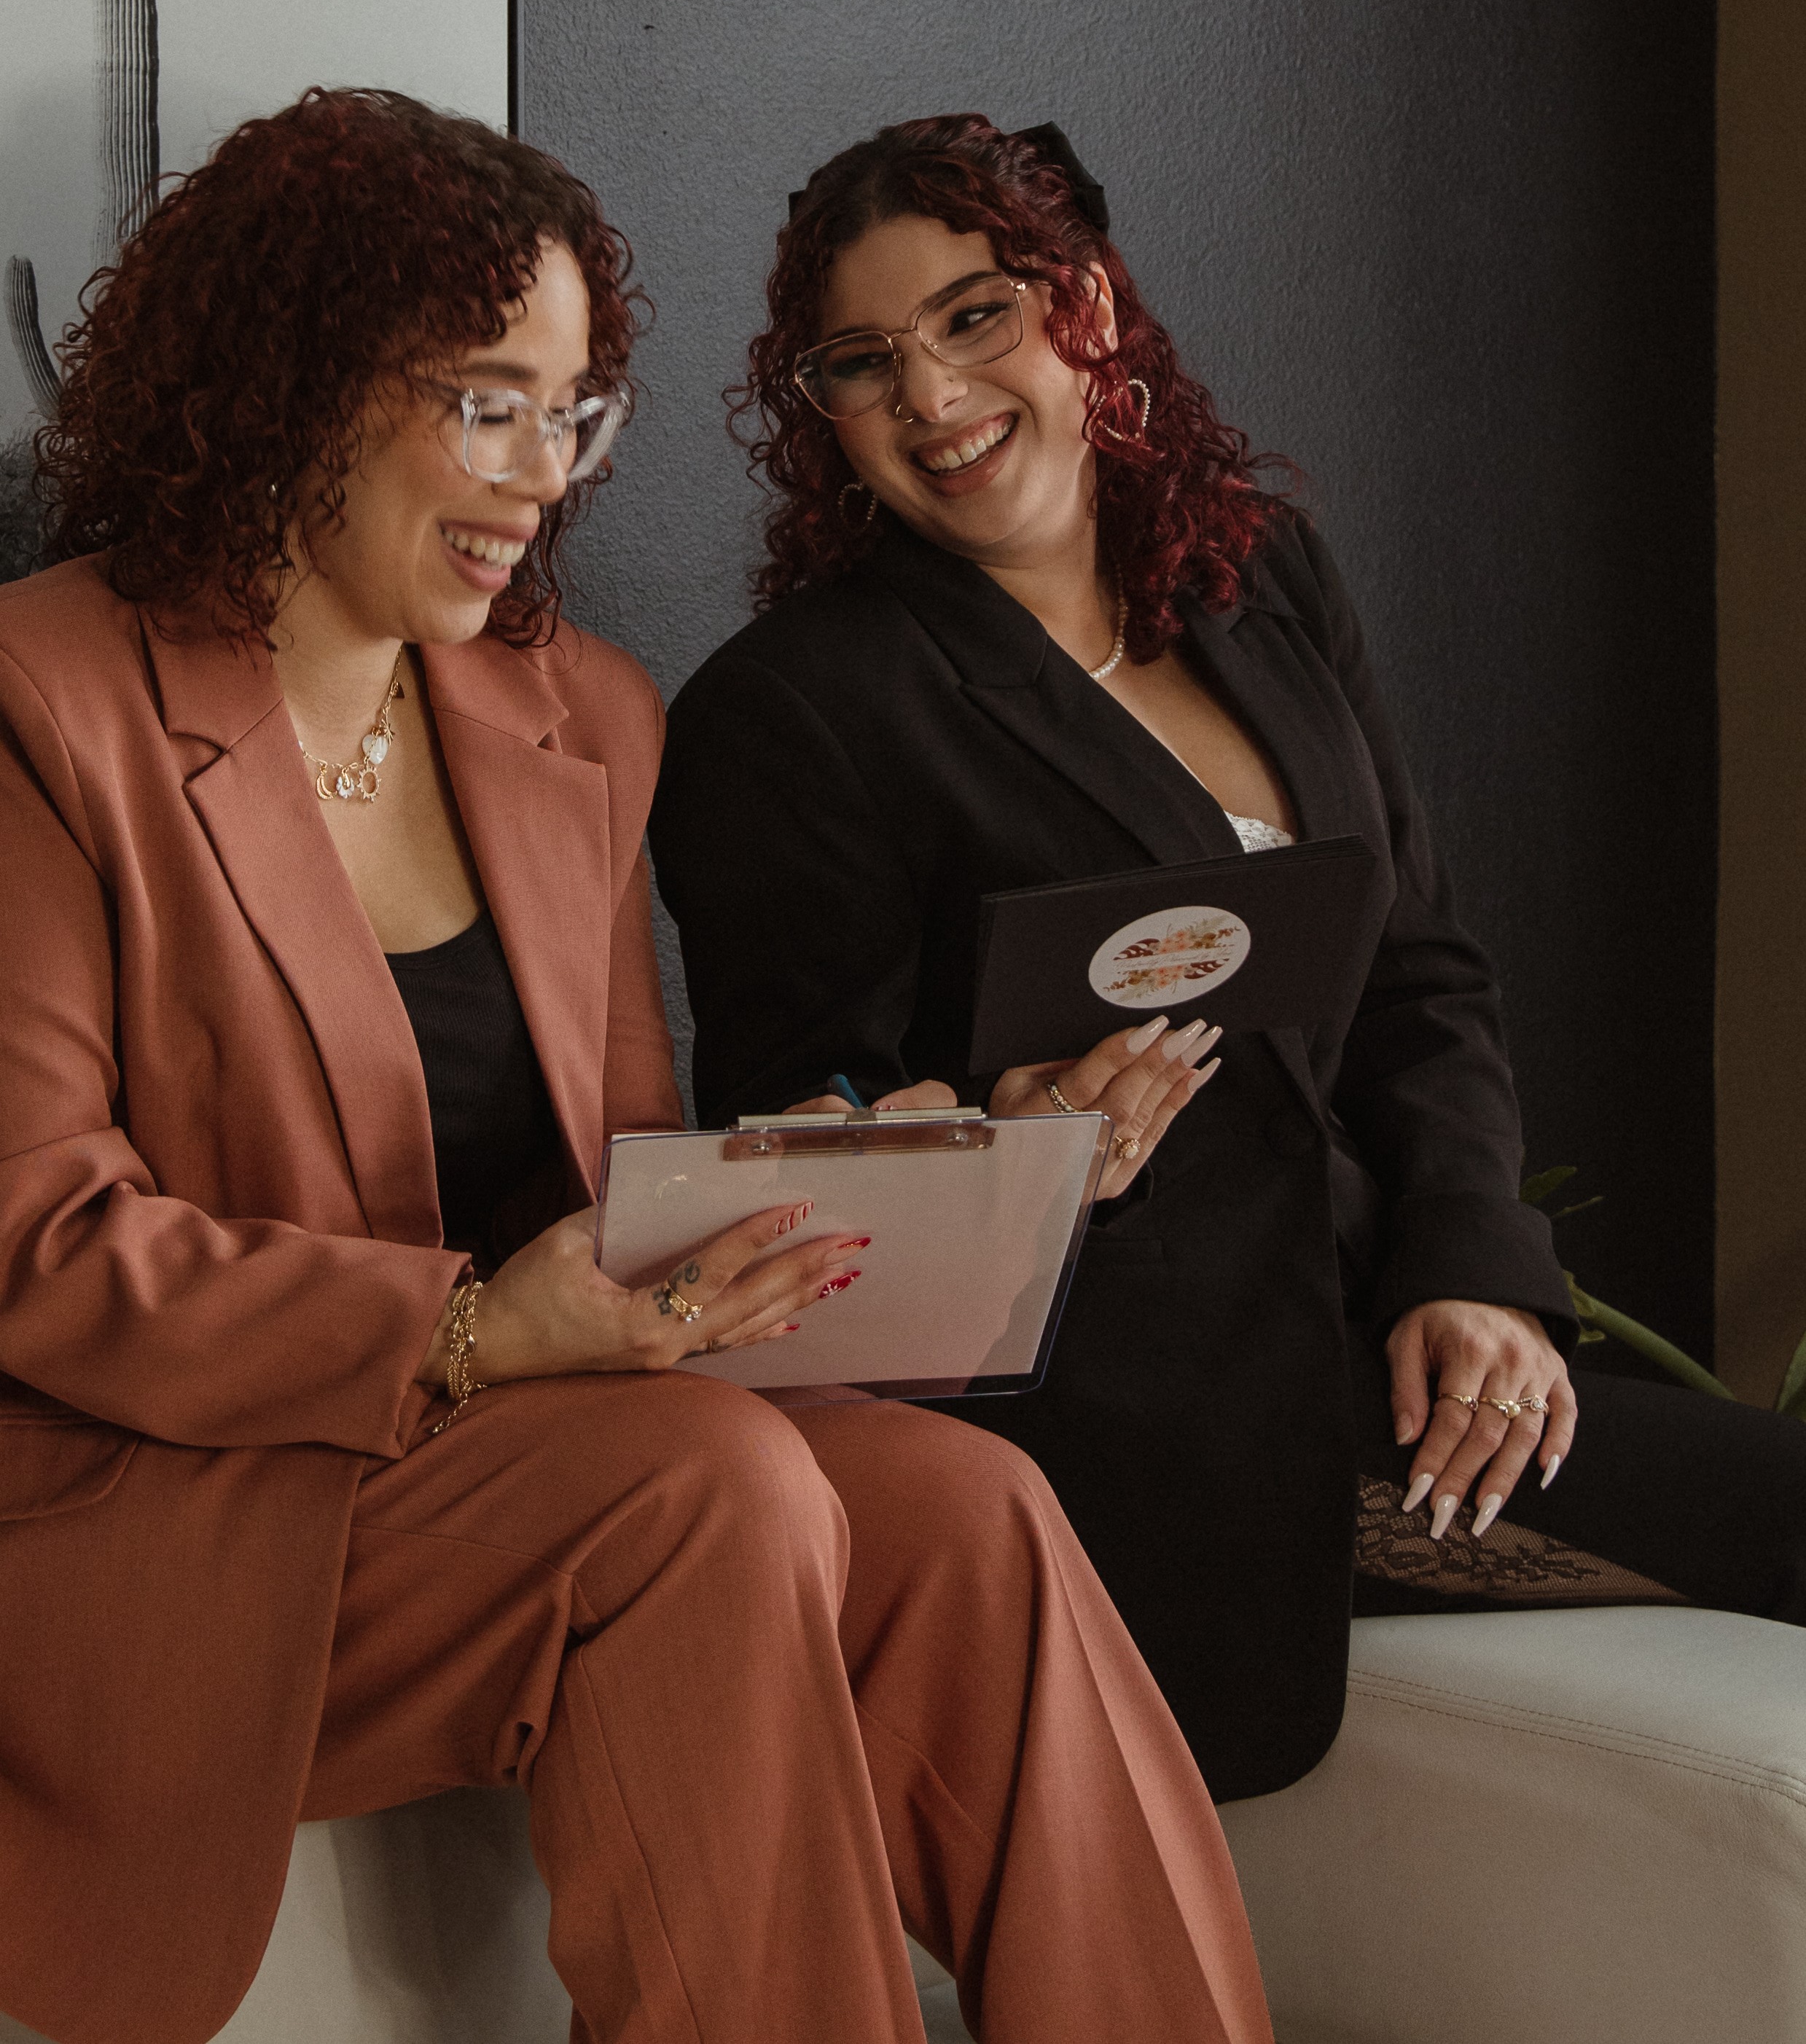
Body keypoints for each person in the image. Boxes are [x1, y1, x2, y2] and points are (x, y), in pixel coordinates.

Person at [0, 91, 1275, 2044]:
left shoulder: (577, 714)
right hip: (155, 1501)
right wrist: (464, 1331)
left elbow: (614, 1194)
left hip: (495, 1450)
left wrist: (914, 1169)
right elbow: (36, 1243)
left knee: (970, 1513)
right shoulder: (45, 705)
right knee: (703, 1487)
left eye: (573, 412)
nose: (543, 477)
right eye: (487, 406)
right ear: (301, 383)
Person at [649, 112, 1806, 1803]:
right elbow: (796, 1167)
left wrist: (1475, 1270)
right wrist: (1027, 1156)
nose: (931, 393)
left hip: (1383, 1337)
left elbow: (1417, 971)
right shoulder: (790, 712)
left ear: (1087, 306)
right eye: (862, 361)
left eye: (975, 316)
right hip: (1128, 1421)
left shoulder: (1261, 574)